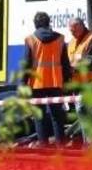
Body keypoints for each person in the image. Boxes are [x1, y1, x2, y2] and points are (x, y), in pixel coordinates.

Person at [21, 11, 71, 145]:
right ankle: (61, 145)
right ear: (49, 22)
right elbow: (65, 63)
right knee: (57, 115)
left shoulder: (31, 40)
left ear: (35, 24)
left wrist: (22, 84)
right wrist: (67, 81)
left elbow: (26, 64)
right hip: (56, 82)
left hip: (37, 83)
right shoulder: (60, 39)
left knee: (39, 116)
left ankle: (43, 145)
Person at [67, 17, 92, 143]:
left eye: (74, 30)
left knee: (91, 113)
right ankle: (90, 143)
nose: (72, 33)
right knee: (84, 114)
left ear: (80, 26)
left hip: (91, 84)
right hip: (78, 85)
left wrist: (75, 68)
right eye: (71, 31)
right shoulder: (72, 42)